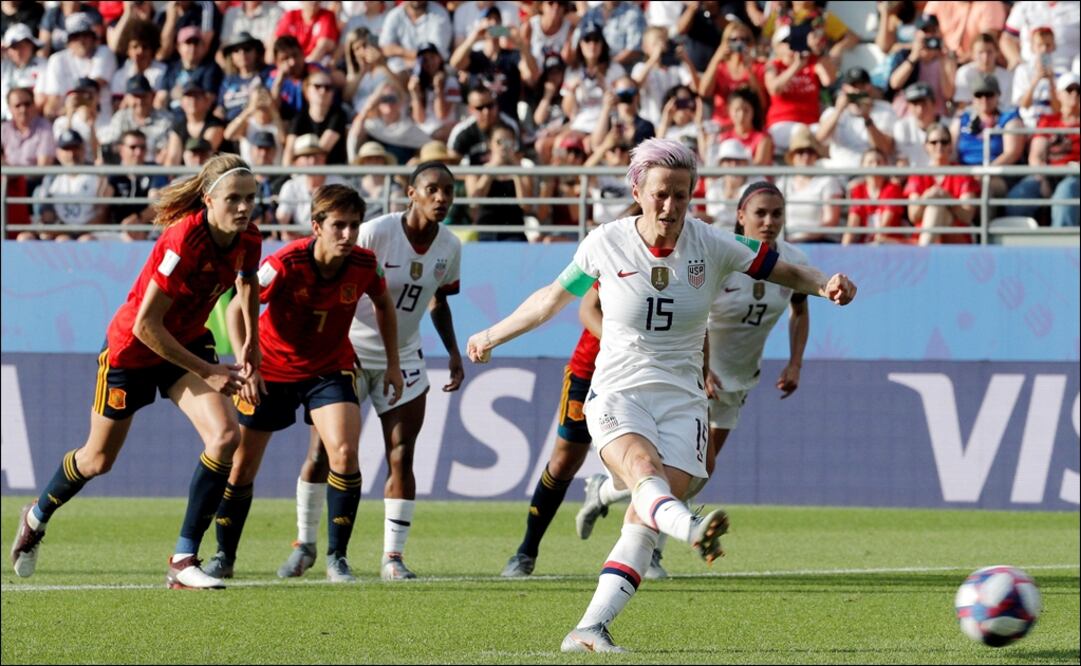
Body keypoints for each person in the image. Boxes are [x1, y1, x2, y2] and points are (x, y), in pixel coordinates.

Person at [465, 138, 856, 653]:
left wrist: (826, 283)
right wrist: (491, 335)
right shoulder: (605, 242)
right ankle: (691, 531)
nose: (670, 207)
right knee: (645, 474)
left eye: (681, 195)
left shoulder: (713, 244)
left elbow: (787, 270)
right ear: (637, 190)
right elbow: (550, 301)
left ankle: (589, 628)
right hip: (618, 389)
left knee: (649, 510)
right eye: (660, 194)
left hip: (684, 399)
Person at [9, 154, 263, 590]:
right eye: (233, 199)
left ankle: (183, 560)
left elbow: (247, 283)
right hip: (134, 348)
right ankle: (36, 516)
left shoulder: (248, 237)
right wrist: (210, 370)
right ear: (208, 199)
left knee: (225, 437)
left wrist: (250, 351)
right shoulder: (183, 240)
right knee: (97, 460)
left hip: (185, 342)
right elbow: (146, 325)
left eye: (251, 199)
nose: (243, 208)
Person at [575, 181, 814, 575]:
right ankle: (650, 546)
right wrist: (702, 369)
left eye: (777, 214)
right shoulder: (717, 256)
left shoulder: (790, 261)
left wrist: (795, 363)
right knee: (682, 466)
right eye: (760, 213)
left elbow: (800, 310)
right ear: (741, 217)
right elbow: (693, 316)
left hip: (738, 381)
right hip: (691, 375)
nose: (769, 222)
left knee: (699, 472)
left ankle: (603, 490)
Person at [203, 184, 401, 582]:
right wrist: (246, 359)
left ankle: (337, 558)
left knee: (344, 452)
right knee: (241, 466)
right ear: (316, 226)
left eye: (354, 226)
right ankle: (224, 555)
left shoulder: (366, 264)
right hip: (271, 369)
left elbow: (384, 305)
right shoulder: (285, 263)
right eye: (338, 226)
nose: (347, 235)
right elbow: (236, 305)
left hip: (329, 368)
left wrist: (393, 364)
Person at [278, 162, 465, 581]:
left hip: (406, 355)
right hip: (348, 353)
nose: (441, 198)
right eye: (432, 189)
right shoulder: (375, 232)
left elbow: (438, 300)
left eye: (448, 191)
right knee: (324, 454)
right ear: (410, 193)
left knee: (402, 455)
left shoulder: (451, 246)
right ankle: (305, 544)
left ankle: (393, 558)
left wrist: (453, 351)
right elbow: (333, 276)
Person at [501, 294, 603, 577]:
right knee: (563, 463)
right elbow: (588, 309)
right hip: (589, 371)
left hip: (640, 375)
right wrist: (619, 342)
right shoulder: (615, 253)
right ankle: (526, 552)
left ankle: (606, 495)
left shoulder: (681, 263)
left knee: (650, 459)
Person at [904, 122, 978, 245]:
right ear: (926, 146)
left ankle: (923, 256)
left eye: (944, 142)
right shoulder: (918, 175)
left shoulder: (962, 174)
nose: (939, 146)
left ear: (950, 145)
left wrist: (947, 199)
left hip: (956, 237)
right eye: (934, 142)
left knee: (936, 207)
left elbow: (967, 216)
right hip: (924, 235)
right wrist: (926, 198)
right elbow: (913, 216)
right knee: (934, 207)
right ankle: (926, 253)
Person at [843, 148, 910, 245]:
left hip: (889, 243)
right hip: (867, 243)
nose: (875, 165)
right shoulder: (858, 190)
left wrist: (874, 241)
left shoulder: (893, 188)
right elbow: (852, 223)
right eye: (870, 162)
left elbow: (884, 226)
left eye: (879, 162)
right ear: (862, 166)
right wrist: (843, 249)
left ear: (885, 165)